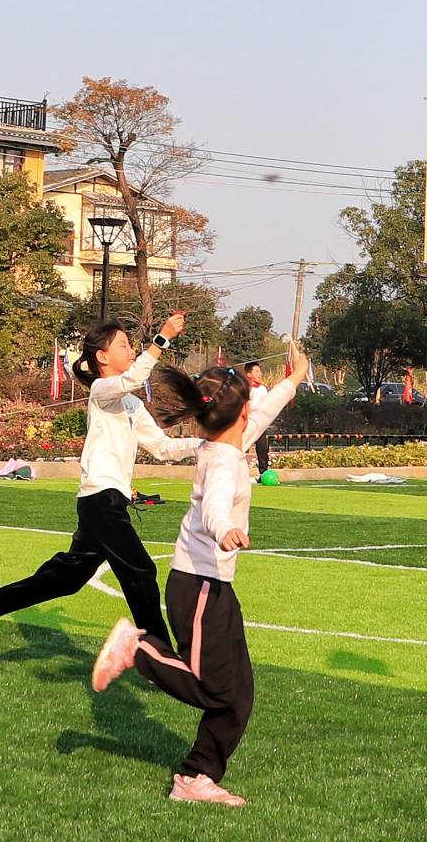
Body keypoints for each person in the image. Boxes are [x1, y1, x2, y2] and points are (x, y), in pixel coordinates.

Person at [89, 342, 306, 806]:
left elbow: (264, 411)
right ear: (239, 414)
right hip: (199, 584)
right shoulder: (224, 459)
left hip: (215, 587)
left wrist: (293, 379)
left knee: (238, 696)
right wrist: (225, 528)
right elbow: (213, 506)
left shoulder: (229, 440)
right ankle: (138, 649)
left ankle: (196, 778)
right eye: (250, 404)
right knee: (213, 688)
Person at [0, 311, 193, 653]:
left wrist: (208, 446)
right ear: (101, 357)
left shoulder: (131, 403)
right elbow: (132, 377)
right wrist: (162, 338)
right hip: (100, 501)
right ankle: (160, 656)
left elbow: (162, 448)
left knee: (69, 578)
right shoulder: (102, 390)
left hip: (108, 501)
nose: (130, 350)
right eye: (124, 345)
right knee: (141, 571)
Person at [245, 361, 279, 486]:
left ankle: (263, 473)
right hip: (246, 423)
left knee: (263, 448)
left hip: (260, 424)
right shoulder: (245, 388)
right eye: (257, 371)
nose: (260, 373)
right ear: (249, 374)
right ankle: (236, 474)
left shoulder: (263, 389)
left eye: (260, 371)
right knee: (241, 449)